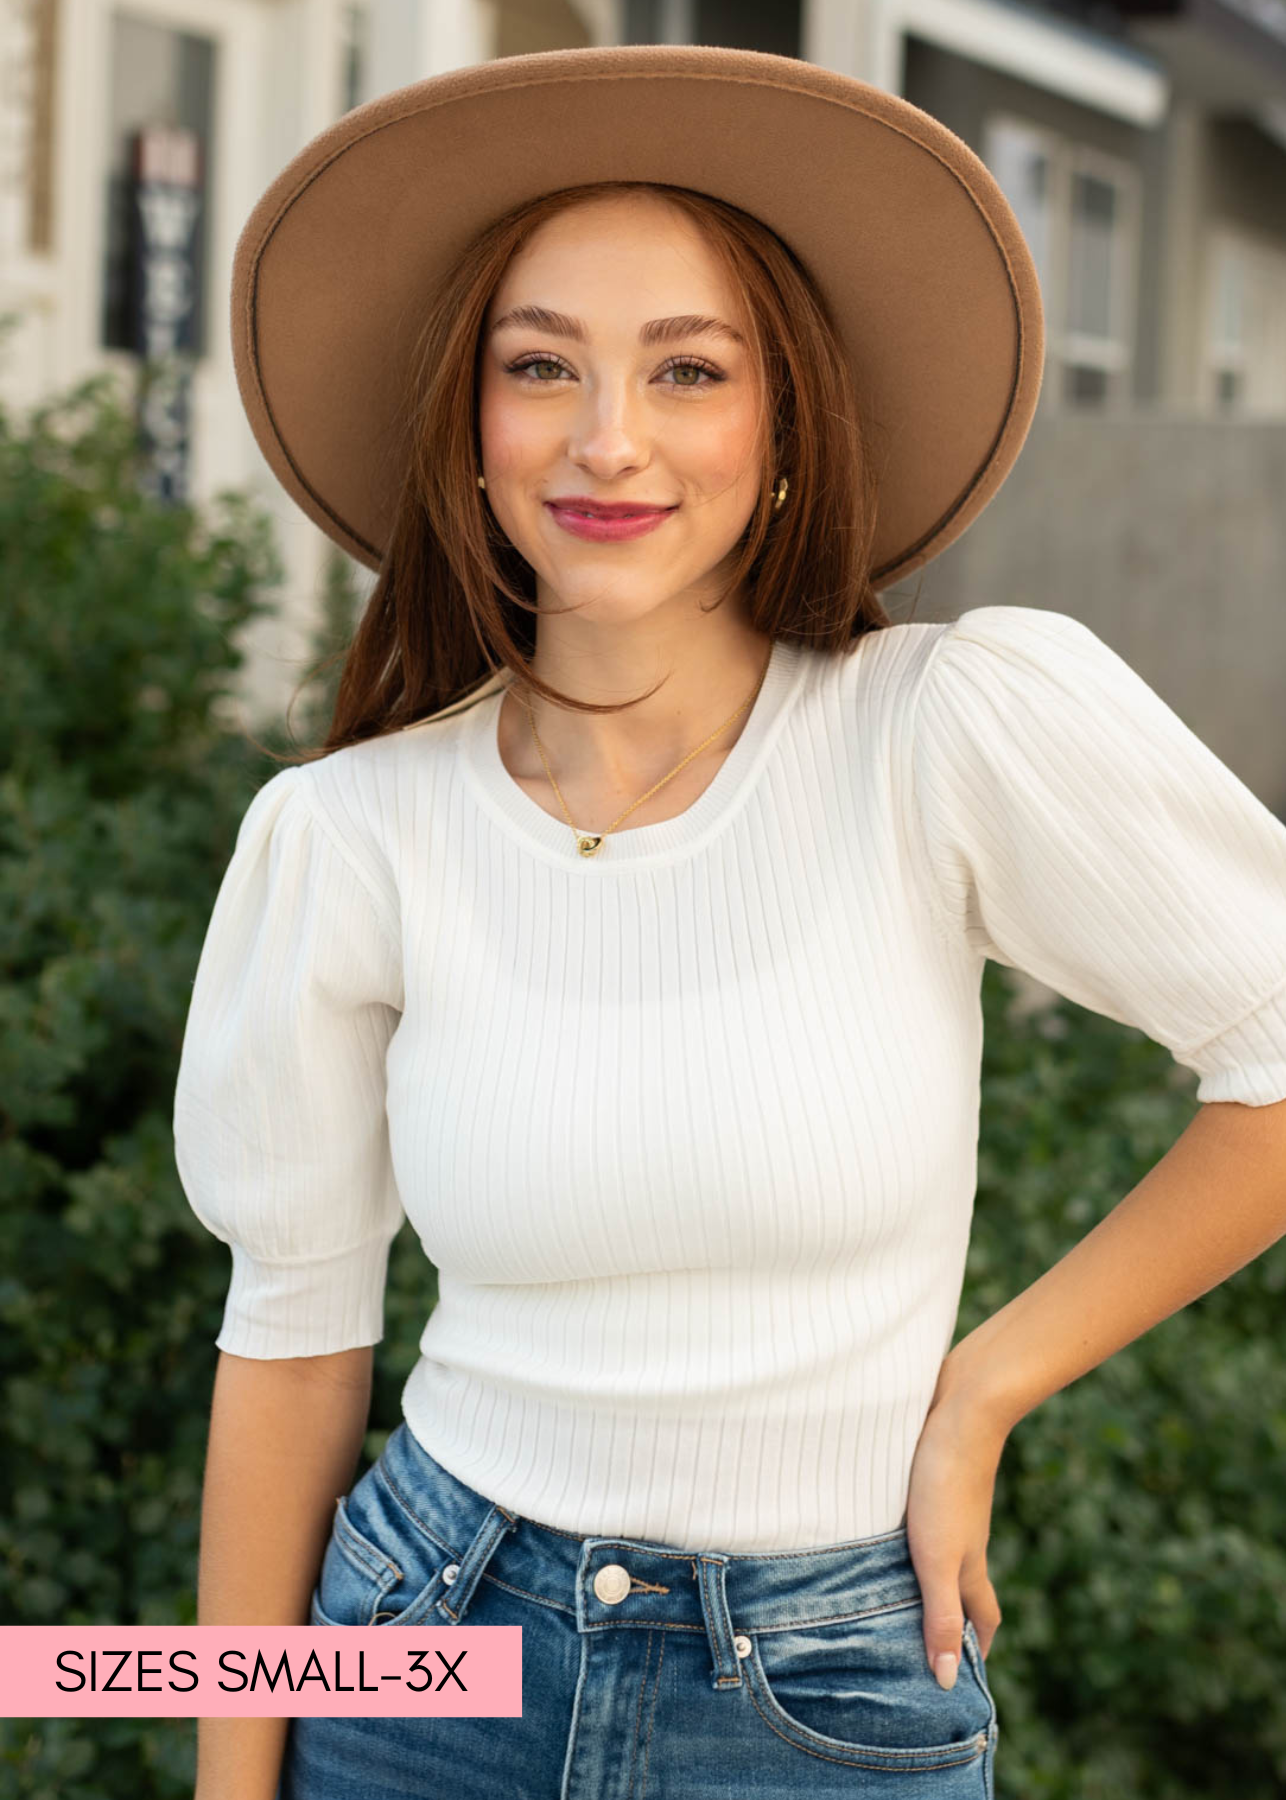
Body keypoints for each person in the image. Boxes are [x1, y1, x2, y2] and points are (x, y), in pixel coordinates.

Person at [172, 44, 1286, 1800]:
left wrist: (984, 1389)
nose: (607, 438)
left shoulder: (942, 730)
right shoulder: (345, 833)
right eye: (539, 365)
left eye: (687, 370)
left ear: (782, 426)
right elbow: (292, 1344)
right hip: (418, 1647)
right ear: (466, 423)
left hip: (827, 1688)